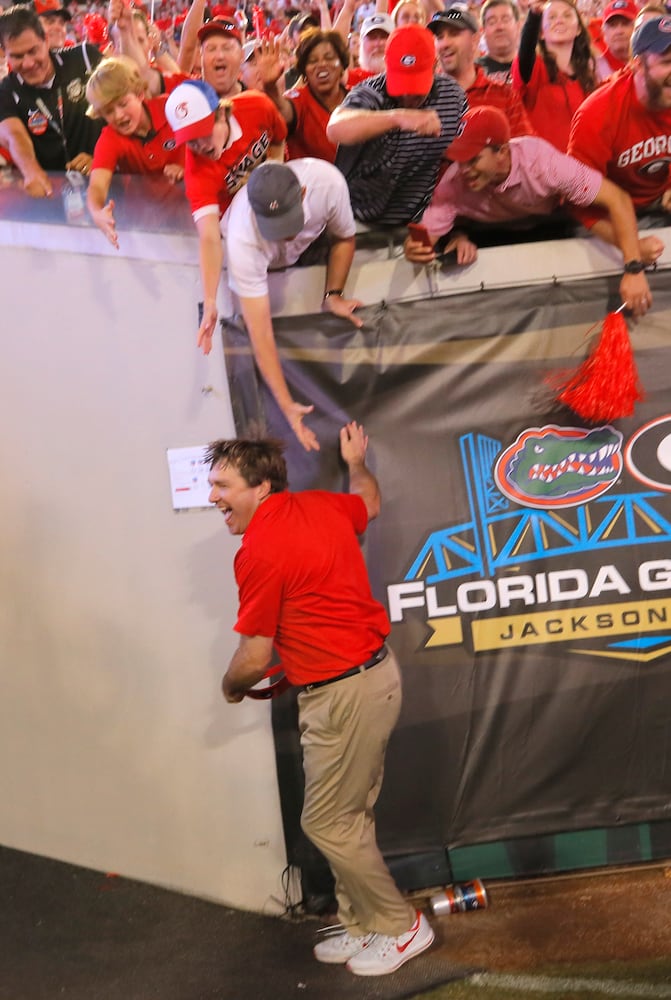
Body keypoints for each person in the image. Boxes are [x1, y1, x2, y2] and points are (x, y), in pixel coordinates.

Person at [209, 423, 435, 977]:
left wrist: (230, 688)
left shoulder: (258, 550)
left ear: (261, 488)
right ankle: (365, 925)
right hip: (358, 685)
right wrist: (356, 462)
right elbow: (370, 501)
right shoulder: (321, 506)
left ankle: (403, 926)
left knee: (329, 823)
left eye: (223, 485)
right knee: (347, 817)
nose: (213, 497)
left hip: (346, 694)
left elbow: (255, 658)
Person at [404, 105, 656, 317]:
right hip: (489, 235)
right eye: (459, 160)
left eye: (473, 160)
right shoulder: (452, 183)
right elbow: (424, 242)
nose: (464, 169)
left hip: (549, 226)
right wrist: (414, 250)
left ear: (502, 152)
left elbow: (617, 199)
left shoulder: (543, 163)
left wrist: (633, 267)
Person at [223, 158, 362, 451]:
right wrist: (287, 405)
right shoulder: (241, 237)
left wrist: (333, 294)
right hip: (255, 273)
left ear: (302, 193)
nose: (285, 232)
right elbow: (260, 336)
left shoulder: (328, 184)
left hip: (301, 258)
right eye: (274, 226)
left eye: (288, 221)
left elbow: (344, 238)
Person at [164, 79, 287, 357]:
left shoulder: (257, 105)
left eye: (204, 132)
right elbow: (208, 236)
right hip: (241, 228)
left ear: (221, 113)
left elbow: (279, 136)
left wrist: (274, 172)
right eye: (190, 140)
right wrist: (209, 300)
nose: (200, 145)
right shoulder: (196, 169)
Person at [327, 24, 467, 224]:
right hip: (358, 222)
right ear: (386, 64)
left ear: (435, 65)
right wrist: (397, 118)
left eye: (416, 86)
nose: (408, 95)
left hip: (418, 224)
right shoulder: (371, 92)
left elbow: (461, 163)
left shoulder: (453, 97)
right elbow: (335, 128)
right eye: (401, 85)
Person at [568, 15, 671, 237]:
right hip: (608, 215)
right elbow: (577, 196)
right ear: (637, 64)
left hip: (660, 206)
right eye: (667, 62)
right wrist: (629, 248)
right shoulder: (598, 112)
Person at [0, 4, 103, 197]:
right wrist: (31, 170)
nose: (28, 63)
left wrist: (101, 159)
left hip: (108, 189)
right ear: (4, 54)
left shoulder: (86, 59)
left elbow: (122, 108)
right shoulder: (6, 91)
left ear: (46, 41)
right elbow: (14, 135)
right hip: (52, 197)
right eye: (17, 56)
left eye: (33, 51)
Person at [85, 56, 185, 248]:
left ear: (139, 94)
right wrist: (97, 212)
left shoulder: (172, 108)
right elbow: (97, 185)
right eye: (108, 111)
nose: (118, 116)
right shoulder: (109, 138)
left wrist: (186, 168)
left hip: (188, 217)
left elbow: (209, 148)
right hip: (145, 230)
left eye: (123, 104)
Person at [428, 5, 532, 138]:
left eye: (454, 34)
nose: (444, 43)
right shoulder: (424, 97)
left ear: (475, 40)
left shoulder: (505, 96)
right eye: (439, 37)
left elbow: (525, 152)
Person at [512, 0, 596, 151]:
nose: (559, 20)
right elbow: (525, 52)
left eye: (567, 15)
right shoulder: (534, 68)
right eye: (551, 17)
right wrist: (534, 14)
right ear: (541, 33)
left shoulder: (588, 74)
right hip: (543, 169)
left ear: (578, 29)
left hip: (583, 167)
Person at [259, 28, 350, 162]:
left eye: (329, 58)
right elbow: (283, 110)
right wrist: (270, 87)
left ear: (342, 65)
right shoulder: (299, 100)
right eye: (312, 61)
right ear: (304, 71)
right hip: (310, 182)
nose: (322, 64)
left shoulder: (359, 98)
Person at [478, 0, 521, 83]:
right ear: (483, 31)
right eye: (492, 22)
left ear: (518, 26)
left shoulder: (534, 67)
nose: (499, 27)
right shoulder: (473, 72)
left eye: (505, 20)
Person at [595, 0, 637, 81]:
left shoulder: (649, 65)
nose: (619, 31)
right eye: (613, 25)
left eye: (625, 24)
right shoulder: (593, 69)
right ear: (603, 32)